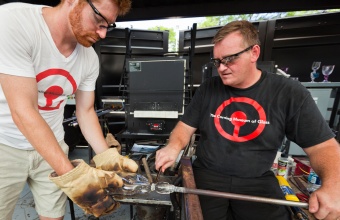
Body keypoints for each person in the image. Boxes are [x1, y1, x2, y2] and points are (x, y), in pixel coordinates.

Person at [155, 20, 340, 220]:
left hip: (256, 180)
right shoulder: (209, 88)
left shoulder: (289, 93)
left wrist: (333, 186)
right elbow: (185, 126)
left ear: (254, 52)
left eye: (230, 59)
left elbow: (323, 147)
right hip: (207, 177)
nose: (222, 68)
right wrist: (172, 147)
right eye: (217, 61)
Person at [0, 0, 138, 219]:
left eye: (108, 26)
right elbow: (23, 111)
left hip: (52, 144)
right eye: (99, 21)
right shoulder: (15, 21)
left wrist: (106, 155)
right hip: (5, 144)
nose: (102, 34)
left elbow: (85, 111)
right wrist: (73, 176)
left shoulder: (89, 58)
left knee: (54, 216)